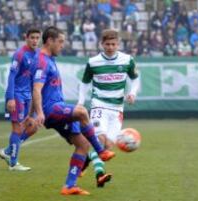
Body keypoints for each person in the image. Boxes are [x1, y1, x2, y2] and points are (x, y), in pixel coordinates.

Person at [32, 26, 115, 195]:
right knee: (82, 112)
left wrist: (30, 115)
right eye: (60, 41)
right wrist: (39, 113)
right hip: (51, 109)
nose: (63, 45)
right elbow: (35, 89)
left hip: (55, 108)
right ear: (50, 41)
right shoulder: (41, 60)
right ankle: (101, 151)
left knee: (82, 145)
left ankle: (69, 186)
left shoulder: (49, 59)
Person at [77, 29, 140, 187]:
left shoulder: (127, 60)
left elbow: (135, 79)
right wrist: (80, 102)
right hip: (99, 105)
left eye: (113, 44)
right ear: (101, 44)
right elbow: (84, 82)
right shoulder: (93, 62)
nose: (110, 47)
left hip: (117, 108)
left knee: (107, 146)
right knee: (100, 140)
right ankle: (100, 175)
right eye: (107, 44)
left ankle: (84, 162)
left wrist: (132, 93)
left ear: (118, 44)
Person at [0, 28, 42, 171]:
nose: (35, 40)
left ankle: (8, 150)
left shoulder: (38, 54)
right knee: (17, 129)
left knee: (33, 126)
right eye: (32, 38)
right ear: (26, 38)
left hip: (28, 95)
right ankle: (13, 163)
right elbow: (11, 76)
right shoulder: (19, 54)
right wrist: (10, 98)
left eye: (37, 38)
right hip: (16, 95)